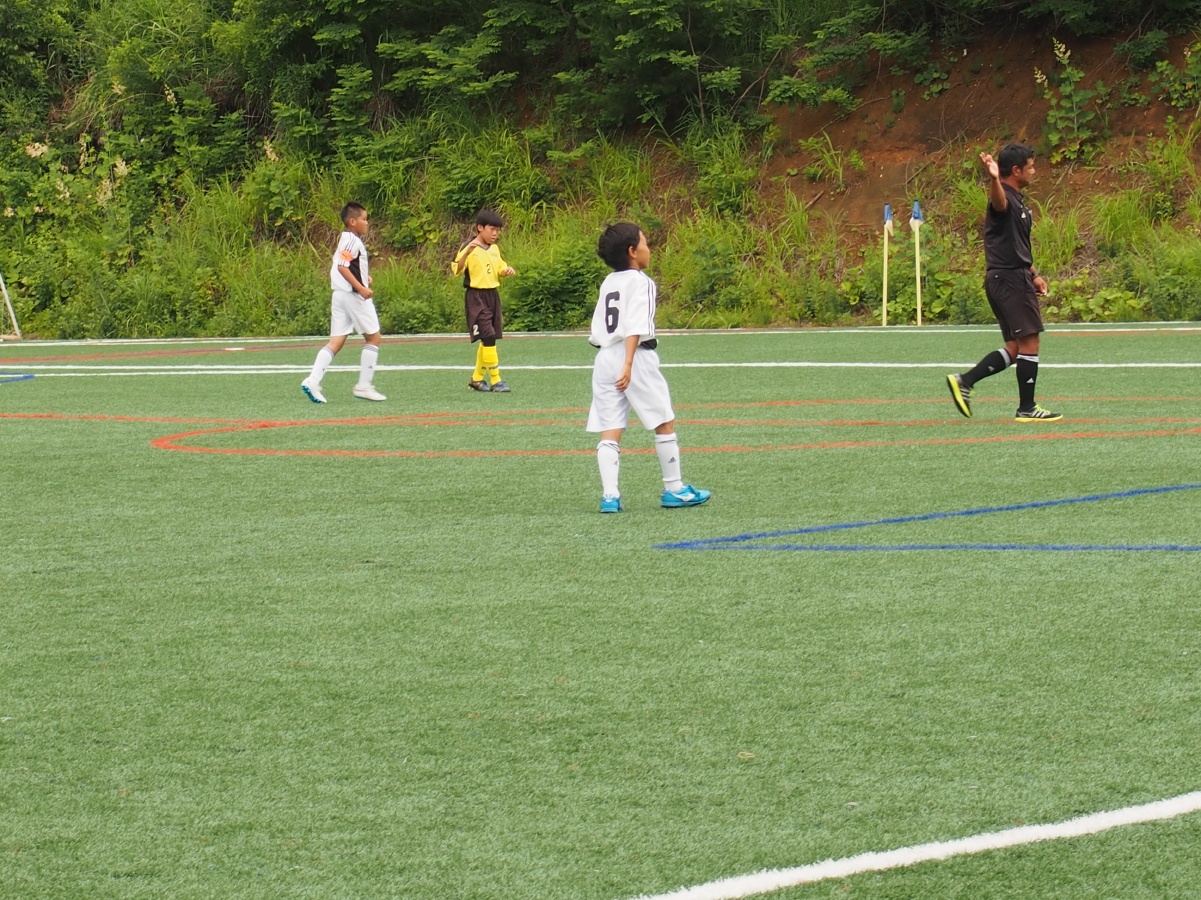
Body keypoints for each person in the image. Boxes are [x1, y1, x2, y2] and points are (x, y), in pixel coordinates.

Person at [587, 222, 711, 513]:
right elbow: (635, 325)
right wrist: (629, 363)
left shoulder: (609, 282)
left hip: (604, 357)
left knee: (610, 428)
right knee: (663, 421)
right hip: (635, 357)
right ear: (632, 251)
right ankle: (674, 488)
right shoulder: (641, 281)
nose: (649, 249)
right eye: (645, 243)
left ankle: (610, 496)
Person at [946, 143, 1062, 423]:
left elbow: (1016, 245)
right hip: (1009, 279)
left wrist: (1034, 274)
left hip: (1009, 277)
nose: (1034, 171)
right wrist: (994, 179)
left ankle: (965, 381)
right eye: (1030, 167)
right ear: (1016, 170)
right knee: (1030, 341)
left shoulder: (1019, 202)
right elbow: (998, 204)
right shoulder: (1004, 197)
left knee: (1015, 347)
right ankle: (1027, 408)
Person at [301, 202, 386, 403]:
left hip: (339, 295)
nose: (367, 223)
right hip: (353, 296)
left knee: (336, 341)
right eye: (364, 219)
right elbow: (342, 266)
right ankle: (364, 386)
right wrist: (361, 287)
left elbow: (345, 265)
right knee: (373, 338)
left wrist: (364, 278)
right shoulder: (352, 241)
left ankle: (313, 380)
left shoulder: (345, 239)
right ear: (352, 221)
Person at [452, 209, 516, 393]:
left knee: (489, 337)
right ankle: (496, 381)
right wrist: (467, 252)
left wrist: (506, 270)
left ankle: (477, 379)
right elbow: (456, 269)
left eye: (498, 230)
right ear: (480, 228)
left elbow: (499, 268)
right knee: (488, 336)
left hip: (492, 296)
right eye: (492, 229)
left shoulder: (494, 249)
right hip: (476, 297)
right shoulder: (469, 246)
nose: (495, 233)